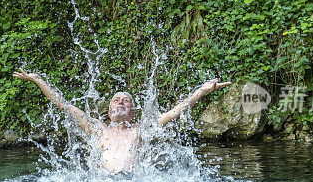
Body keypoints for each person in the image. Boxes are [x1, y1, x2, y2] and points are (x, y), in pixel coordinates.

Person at [13, 68, 231, 173]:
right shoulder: (97, 129)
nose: (120, 102)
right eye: (116, 100)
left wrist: (202, 91)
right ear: (108, 111)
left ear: (133, 111)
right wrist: (38, 81)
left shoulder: (141, 130)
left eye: (125, 101)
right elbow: (63, 105)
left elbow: (175, 112)